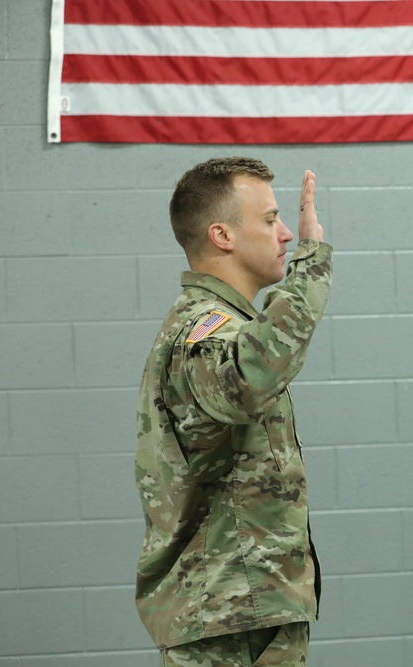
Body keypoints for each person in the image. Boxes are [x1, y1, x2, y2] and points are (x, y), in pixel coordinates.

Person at [135, 156, 332, 666]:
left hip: (241, 608)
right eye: (270, 219)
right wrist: (311, 265)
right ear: (222, 235)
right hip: (228, 615)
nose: (286, 233)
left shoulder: (222, 325)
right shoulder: (203, 330)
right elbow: (249, 380)